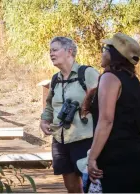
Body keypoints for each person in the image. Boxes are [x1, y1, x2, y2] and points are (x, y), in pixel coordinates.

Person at [86, 32, 140, 193]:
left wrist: (92, 157)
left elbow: (106, 120)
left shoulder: (110, 77)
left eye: (105, 48)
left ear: (114, 53)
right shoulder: (135, 82)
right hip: (138, 156)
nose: (102, 52)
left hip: (115, 159)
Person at [40, 36, 100, 193]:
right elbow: (49, 105)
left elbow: (103, 103)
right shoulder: (55, 79)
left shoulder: (87, 73)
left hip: (84, 139)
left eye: (55, 50)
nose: (51, 53)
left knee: (91, 185)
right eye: (50, 50)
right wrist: (44, 120)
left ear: (69, 51)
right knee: (71, 187)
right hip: (60, 140)